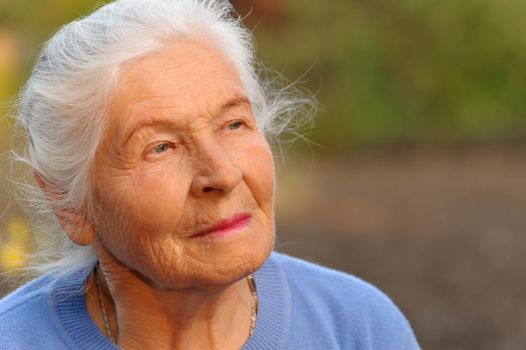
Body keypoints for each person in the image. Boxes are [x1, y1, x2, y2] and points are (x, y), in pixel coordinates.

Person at [0, 0, 420, 349]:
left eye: (233, 124)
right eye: (160, 147)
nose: (222, 173)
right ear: (69, 204)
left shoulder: (357, 328)